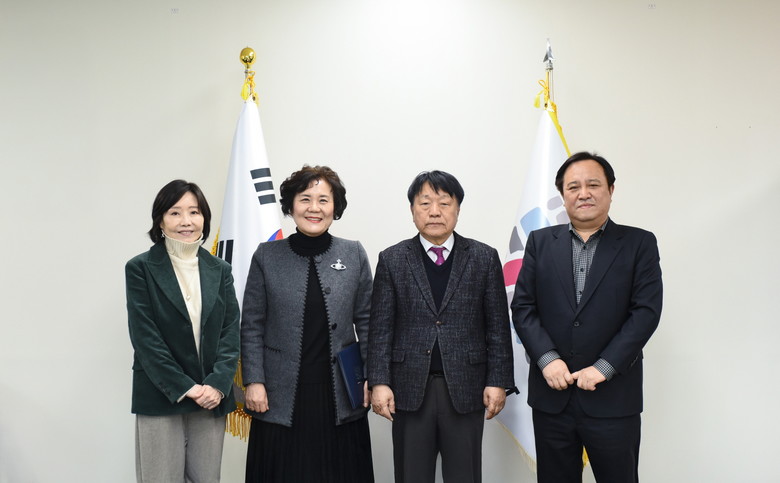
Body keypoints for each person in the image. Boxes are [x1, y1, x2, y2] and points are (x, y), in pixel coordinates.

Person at [511, 152, 663, 483]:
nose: (584, 193)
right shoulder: (540, 243)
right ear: (562, 194)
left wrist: (603, 367)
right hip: (553, 398)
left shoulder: (639, 243)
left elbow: (645, 313)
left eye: (593, 185)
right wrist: (548, 359)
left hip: (613, 398)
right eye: (573, 187)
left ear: (610, 189)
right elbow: (523, 307)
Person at [367, 170, 514, 483]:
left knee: (464, 475)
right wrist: (379, 382)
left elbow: (498, 328)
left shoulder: (483, 257)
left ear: (457, 209)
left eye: (444, 203)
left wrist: (498, 381)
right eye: (425, 203)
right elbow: (380, 329)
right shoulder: (393, 259)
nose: (434, 211)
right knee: (411, 475)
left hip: (466, 387)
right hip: (408, 388)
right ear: (412, 210)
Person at [241, 165, 374, 483]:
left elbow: (368, 321)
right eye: (305, 199)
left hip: (339, 395)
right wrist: (254, 380)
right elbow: (252, 325)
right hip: (280, 395)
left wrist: (372, 375)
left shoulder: (353, 254)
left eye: (323, 200)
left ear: (335, 207)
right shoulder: (267, 256)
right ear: (291, 206)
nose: (314, 208)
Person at [126, 179, 240, 482]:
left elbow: (230, 332)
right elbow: (145, 338)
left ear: (204, 218)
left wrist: (217, 384)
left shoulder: (220, 269)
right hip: (162, 395)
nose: (186, 221)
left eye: (194, 212)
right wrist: (186, 388)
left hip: (211, 397)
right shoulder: (140, 268)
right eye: (175, 213)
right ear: (160, 220)